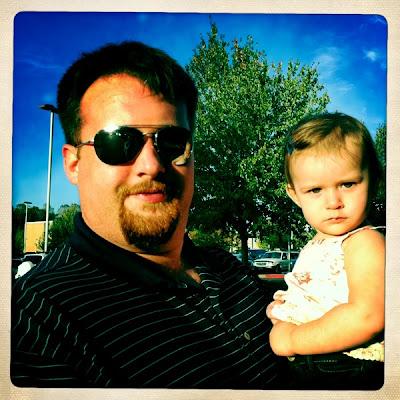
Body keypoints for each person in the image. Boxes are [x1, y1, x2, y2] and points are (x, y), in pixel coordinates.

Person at [11, 41, 286, 389]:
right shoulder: (36, 324)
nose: (152, 165)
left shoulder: (231, 270)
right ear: (74, 164)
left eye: (171, 141)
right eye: (119, 142)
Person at [266, 113, 385, 390]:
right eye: (315, 190)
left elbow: (369, 316)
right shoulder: (319, 243)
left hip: (346, 365)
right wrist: (289, 308)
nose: (333, 202)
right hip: (322, 362)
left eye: (348, 184)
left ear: (375, 181)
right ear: (295, 194)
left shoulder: (364, 242)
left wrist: (293, 339)